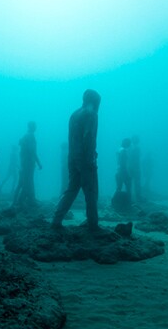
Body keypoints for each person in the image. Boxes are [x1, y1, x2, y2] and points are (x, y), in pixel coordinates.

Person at [52, 89, 101, 231]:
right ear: (95, 101)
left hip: (72, 157)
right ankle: (93, 223)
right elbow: (88, 137)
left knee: (71, 189)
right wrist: (91, 158)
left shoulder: (74, 114)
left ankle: (56, 220)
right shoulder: (91, 114)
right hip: (85, 159)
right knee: (91, 191)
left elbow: (73, 138)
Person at [12, 121, 43, 210]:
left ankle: (30, 199)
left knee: (28, 181)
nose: (36, 127)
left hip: (26, 162)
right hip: (28, 163)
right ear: (31, 127)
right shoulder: (30, 136)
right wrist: (39, 162)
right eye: (34, 126)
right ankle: (22, 201)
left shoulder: (26, 136)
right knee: (27, 182)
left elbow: (24, 152)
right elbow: (32, 151)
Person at [128, 135, 142, 201]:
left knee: (130, 183)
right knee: (137, 183)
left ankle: (129, 197)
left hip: (130, 168)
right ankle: (138, 197)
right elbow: (136, 159)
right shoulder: (136, 148)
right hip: (135, 168)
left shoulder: (129, 148)